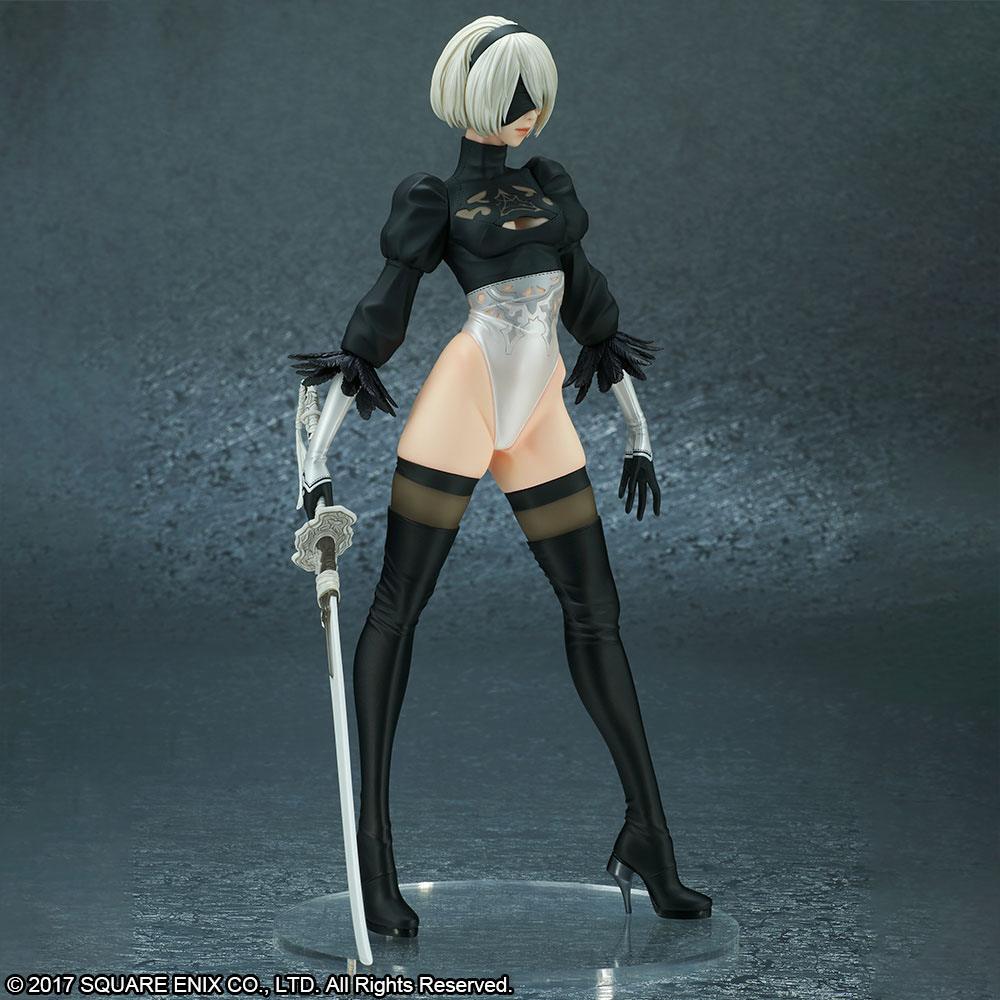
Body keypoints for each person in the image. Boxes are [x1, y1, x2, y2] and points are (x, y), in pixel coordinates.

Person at [290, 15, 711, 938]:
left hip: (541, 409)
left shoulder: (550, 187)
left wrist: (637, 433)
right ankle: (373, 860)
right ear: (476, 97)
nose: (531, 114)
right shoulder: (435, 199)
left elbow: (590, 312)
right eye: (518, 97)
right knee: (398, 608)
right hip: (467, 396)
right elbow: (378, 324)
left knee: (596, 612)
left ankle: (650, 837)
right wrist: (315, 460)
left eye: (538, 97)